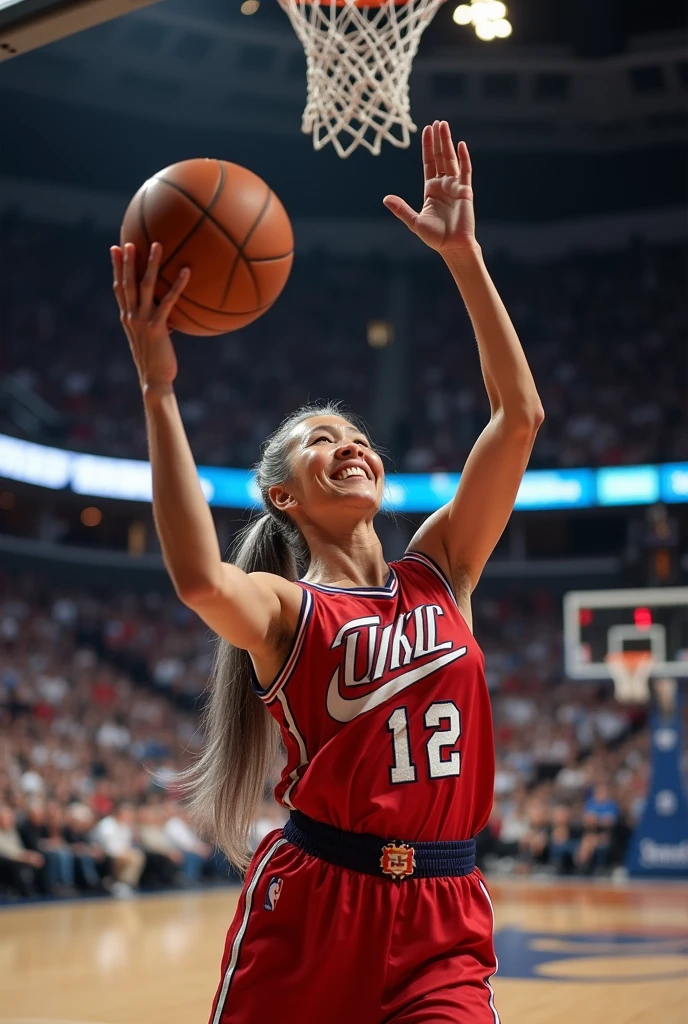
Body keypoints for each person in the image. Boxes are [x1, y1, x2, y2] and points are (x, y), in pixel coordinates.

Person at [111, 120, 544, 1024]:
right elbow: (197, 579)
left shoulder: (443, 569)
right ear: (280, 497)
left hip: (441, 913)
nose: (348, 446)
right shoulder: (285, 611)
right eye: (320, 441)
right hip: (314, 908)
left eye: (357, 436)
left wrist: (464, 256)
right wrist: (159, 390)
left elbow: (518, 416)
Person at [91, 801, 145, 899]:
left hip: (120, 853)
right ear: (120, 813)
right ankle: (119, 884)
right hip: (104, 854)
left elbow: (126, 845)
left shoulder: (125, 826)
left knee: (137, 855)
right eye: (128, 813)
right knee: (131, 858)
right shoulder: (107, 825)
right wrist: (124, 853)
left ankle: (124, 884)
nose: (130, 816)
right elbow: (109, 847)